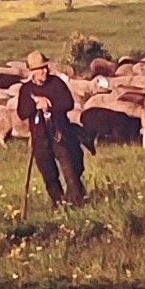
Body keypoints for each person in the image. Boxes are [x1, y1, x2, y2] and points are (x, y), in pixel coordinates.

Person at [17, 50, 87, 207]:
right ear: (32, 72)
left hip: (60, 135)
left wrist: (51, 105)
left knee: (71, 172)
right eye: (40, 69)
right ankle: (59, 205)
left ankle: (78, 204)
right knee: (49, 175)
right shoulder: (26, 90)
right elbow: (22, 112)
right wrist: (36, 104)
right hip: (40, 139)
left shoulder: (56, 83)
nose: (45, 71)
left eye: (45, 67)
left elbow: (68, 103)